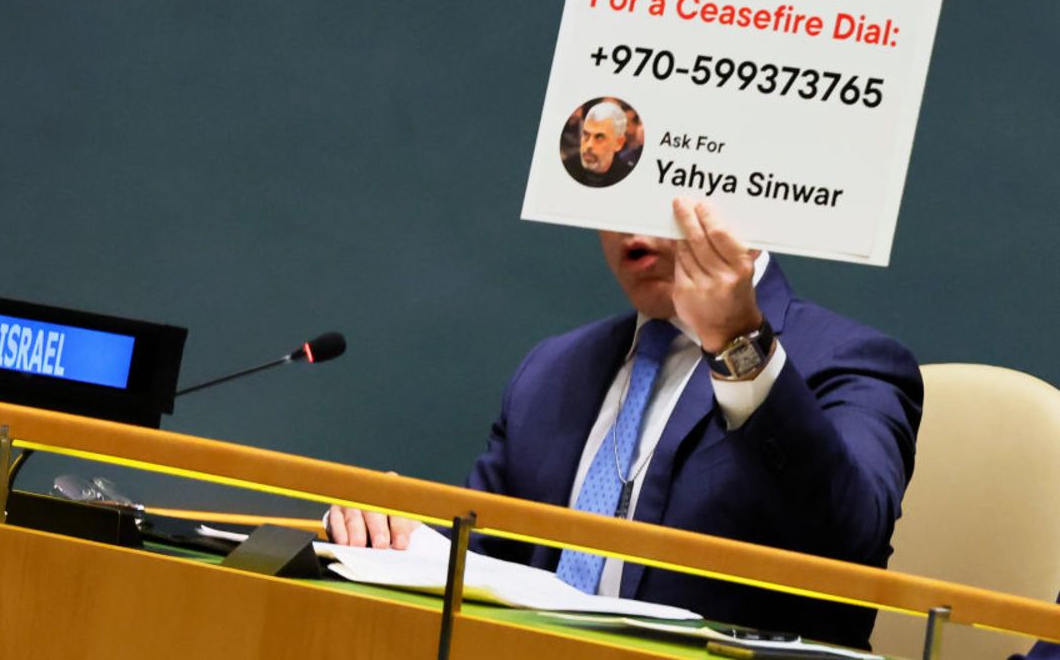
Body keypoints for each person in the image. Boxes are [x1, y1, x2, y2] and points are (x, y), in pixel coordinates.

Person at [329, 198, 922, 649]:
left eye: (661, 193)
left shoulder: (851, 360)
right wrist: (397, 530)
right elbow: (483, 551)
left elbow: (849, 540)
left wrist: (740, 345)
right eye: (615, 195)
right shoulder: (553, 368)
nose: (633, 229)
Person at [563, 101, 635, 187]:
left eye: (599, 137)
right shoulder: (566, 168)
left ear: (618, 143)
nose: (589, 145)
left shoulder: (630, 178)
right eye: (586, 134)